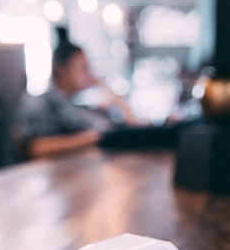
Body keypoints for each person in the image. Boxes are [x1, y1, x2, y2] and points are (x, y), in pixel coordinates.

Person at [13, 27, 138, 159]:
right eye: (84, 68)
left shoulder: (79, 107)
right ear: (62, 69)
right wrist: (93, 137)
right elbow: (35, 148)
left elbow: (131, 125)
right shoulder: (38, 104)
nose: (90, 75)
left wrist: (112, 94)